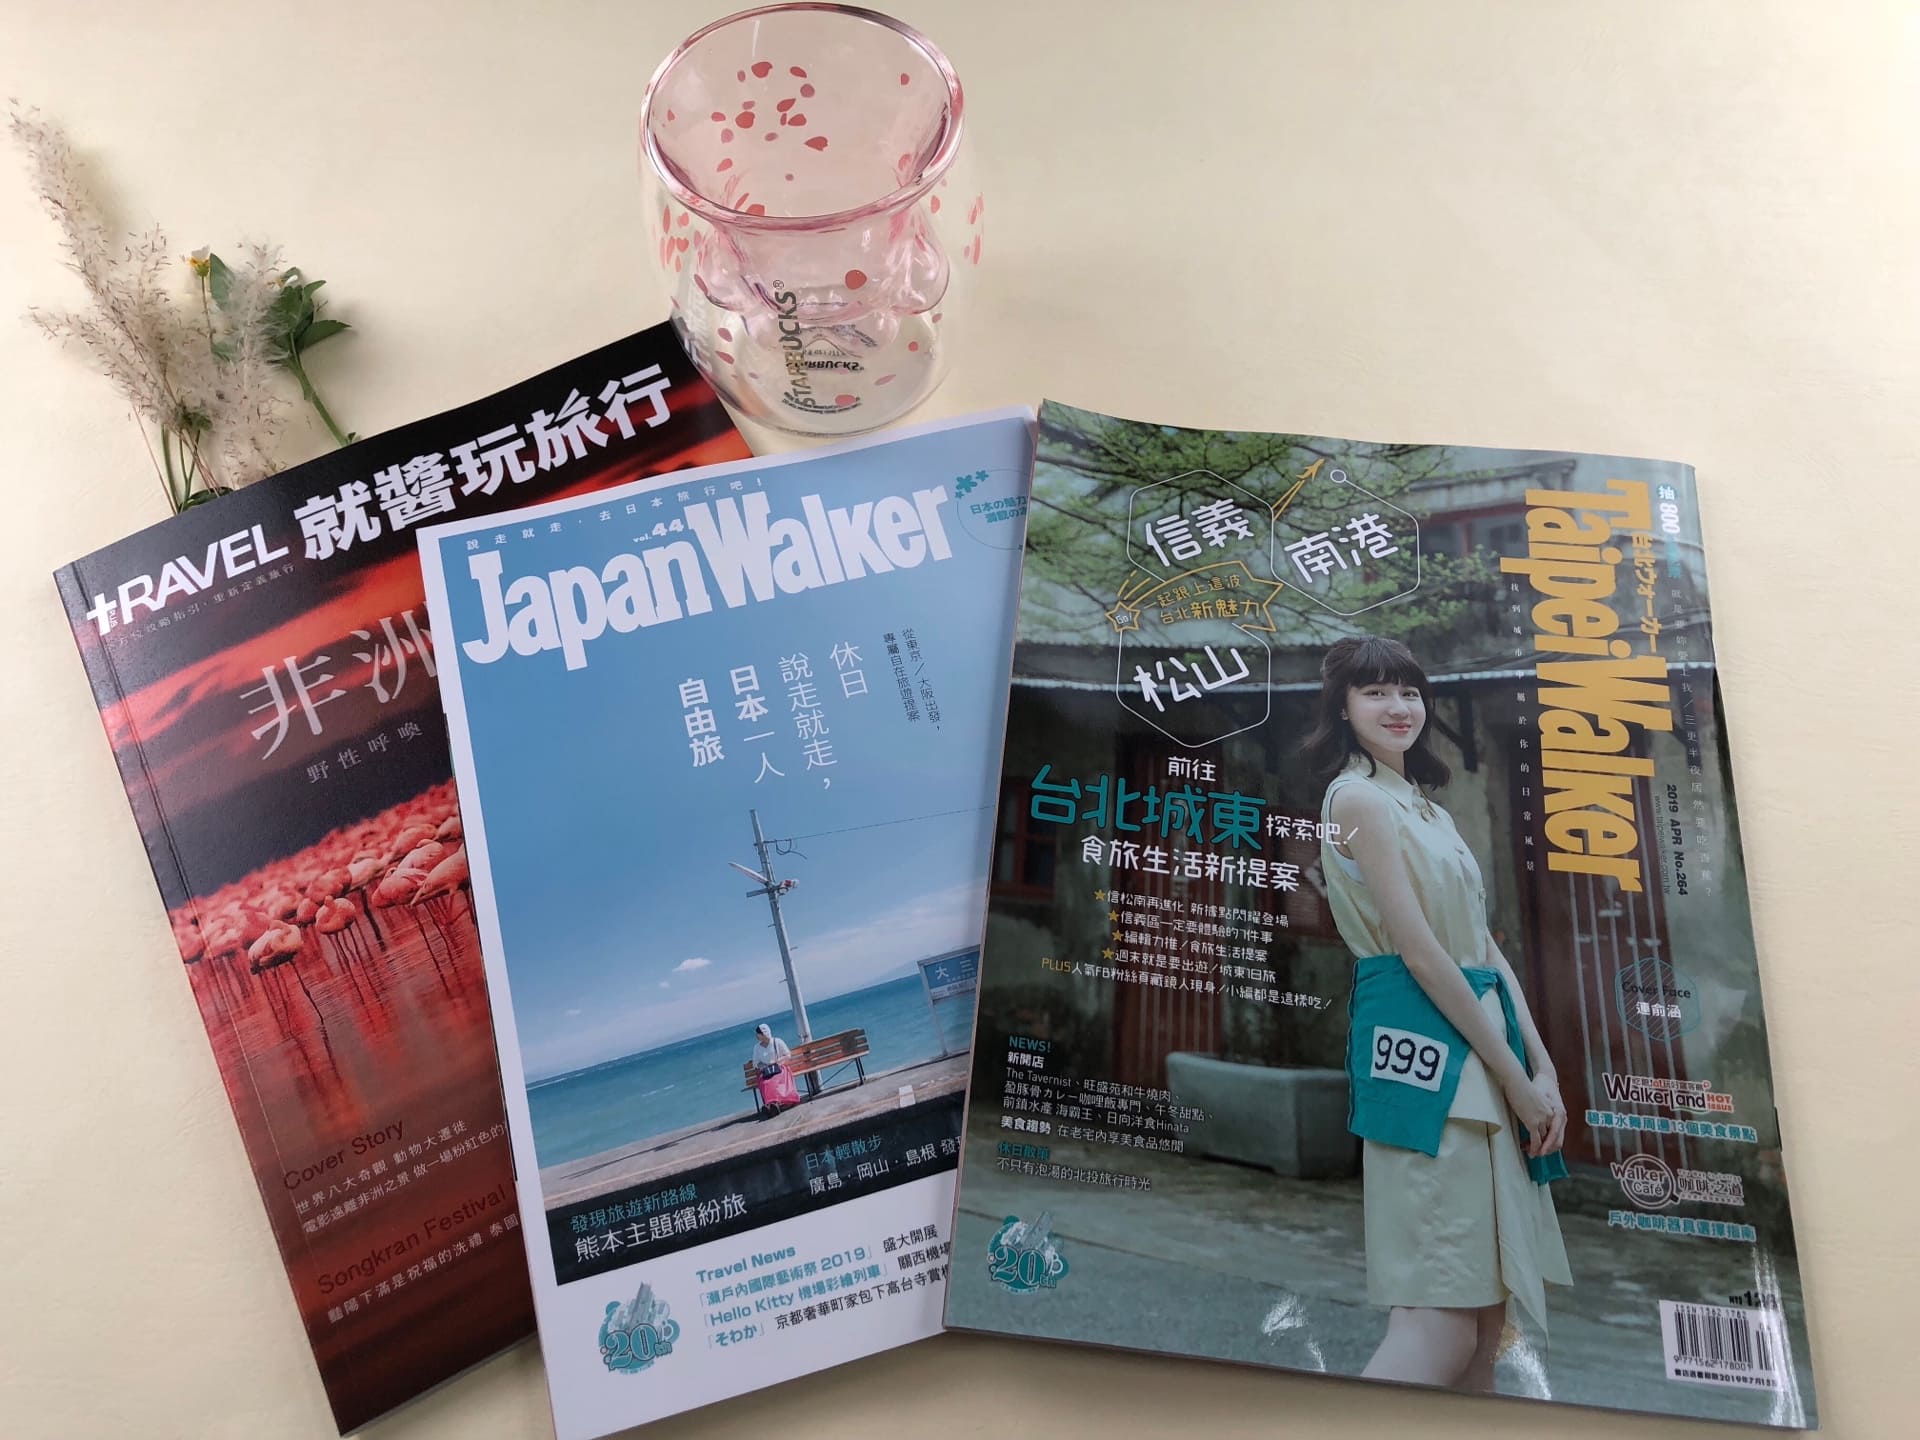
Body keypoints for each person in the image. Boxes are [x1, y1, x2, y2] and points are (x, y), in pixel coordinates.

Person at [1303, 634, 1571, 1393]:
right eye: (1375, 692)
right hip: (1428, 1052)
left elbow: (1482, 946)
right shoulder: (1356, 799)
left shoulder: (1428, 809)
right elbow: (1421, 954)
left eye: (1409, 691)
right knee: (1439, 1318)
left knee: (1484, 1324)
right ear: (1342, 707)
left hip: (1481, 1046)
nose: (1398, 707)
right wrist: (1513, 1077)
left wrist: (1541, 1065)